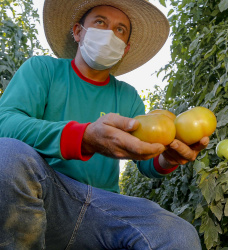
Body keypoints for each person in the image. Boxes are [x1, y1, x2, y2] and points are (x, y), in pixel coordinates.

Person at [0, 0, 209, 249]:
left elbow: (146, 161)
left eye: (120, 30)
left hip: (103, 208)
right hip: (45, 195)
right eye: (100, 22)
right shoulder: (43, 70)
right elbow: (5, 123)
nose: (110, 33)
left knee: (179, 235)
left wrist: (168, 158)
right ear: (78, 31)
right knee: (7, 154)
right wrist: (83, 137)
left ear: (125, 48)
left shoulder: (128, 96)